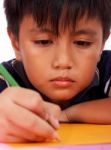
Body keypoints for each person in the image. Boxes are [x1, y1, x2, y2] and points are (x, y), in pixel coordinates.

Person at [0, 0, 111, 143]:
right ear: (16, 43)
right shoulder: (5, 79)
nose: (63, 62)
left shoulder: (106, 67)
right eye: (43, 41)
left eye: (82, 42)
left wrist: (68, 115)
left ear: (102, 43)